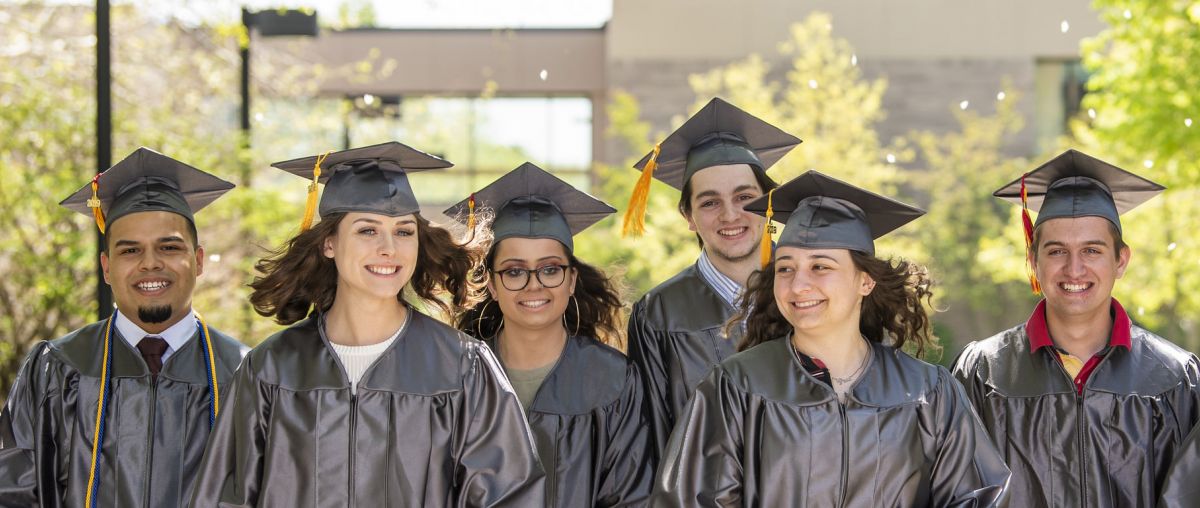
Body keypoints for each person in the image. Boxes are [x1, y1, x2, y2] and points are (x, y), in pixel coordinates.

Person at [189, 142, 545, 506]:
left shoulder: (461, 366)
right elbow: (224, 497)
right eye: (367, 231)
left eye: (404, 231)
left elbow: (509, 495)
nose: (389, 248)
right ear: (329, 243)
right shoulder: (272, 369)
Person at [653, 171, 1010, 506]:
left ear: (865, 281)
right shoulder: (737, 386)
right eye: (786, 268)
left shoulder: (928, 392)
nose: (799, 285)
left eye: (820, 267)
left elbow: (976, 496)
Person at [953, 149, 1200, 507]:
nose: (1074, 269)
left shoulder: (1176, 378)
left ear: (1121, 260)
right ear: (1033, 261)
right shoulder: (983, 372)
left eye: (1091, 251)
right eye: (1056, 252)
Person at [0, 148, 247, 507]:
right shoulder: (56, 368)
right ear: (106, 267)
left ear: (197, 261)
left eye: (168, 247)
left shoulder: (245, 374)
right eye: (130, 251)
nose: (150, 263)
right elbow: (12, 492)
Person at [447, 162, 655, 507]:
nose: (534, 285)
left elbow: (631, 497)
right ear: (492, 284)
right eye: (514, 271)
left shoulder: (612, 380)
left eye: (549, 269)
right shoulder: (458, 377)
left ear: (571, 280)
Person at [624, 98, 800, 451]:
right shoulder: (659, 314)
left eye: (745, 197)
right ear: (688, 216)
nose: (730, 215)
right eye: (709, 202)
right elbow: (653, 439)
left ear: (769, 203)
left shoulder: (811, 291)